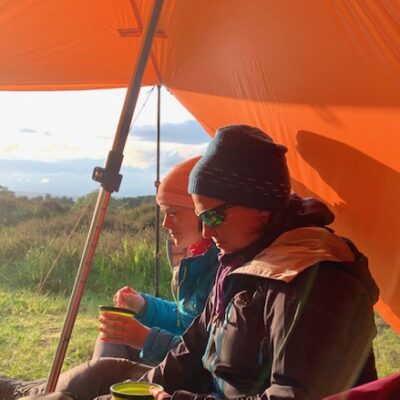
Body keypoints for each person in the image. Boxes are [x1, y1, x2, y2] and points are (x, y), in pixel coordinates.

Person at [139, 125, 379, 400]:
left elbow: (292, 395)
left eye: (213, 217)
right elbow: (193, 349)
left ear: (261, 205)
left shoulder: (314, 281)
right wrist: (143, 390)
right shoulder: (239, 263)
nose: (206, 231)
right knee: (95, 378)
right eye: (200, 217)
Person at [0, 156, 219, 400]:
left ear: (203, 210)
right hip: (183, 362)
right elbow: (186, 318)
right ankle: (38, 389)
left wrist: (145, 337)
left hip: (193, 381)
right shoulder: (202, 258)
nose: (166, 223)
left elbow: (208, 353)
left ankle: (33, 391)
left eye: (174, 212)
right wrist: (144, 305)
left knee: (102, 370)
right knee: (111, 340)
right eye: (164, 213)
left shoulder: (222, 268)